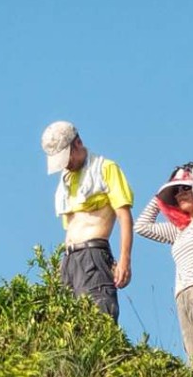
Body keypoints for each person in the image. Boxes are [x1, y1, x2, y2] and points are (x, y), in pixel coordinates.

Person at [41, 120, 133, 322]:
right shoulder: (66, 180)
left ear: (78, 143)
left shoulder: (105, 168)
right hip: (69, 260)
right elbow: (71, 227)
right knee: (67, 325)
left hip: (93, 254)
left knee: (98, 317)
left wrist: (124, 259)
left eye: (67, 157)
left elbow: (124, 215)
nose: (66, 164)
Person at [134, 163, 193, 365]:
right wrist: (162, 194)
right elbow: (142, 226)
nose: (180, 194)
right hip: (183, 298)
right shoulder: (179, 230)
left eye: (186, 188)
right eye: (176, 191)